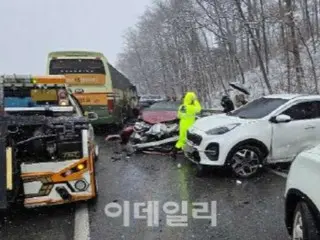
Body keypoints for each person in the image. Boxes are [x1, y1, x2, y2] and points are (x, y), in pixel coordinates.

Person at [171, 92, 202, 159]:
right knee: (190, 140)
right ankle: (191, 154)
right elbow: (199, 109)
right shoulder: (192, 107)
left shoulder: (182, 107)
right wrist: (195, 100)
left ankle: (174, 152)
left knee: (182, 139)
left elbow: (179, 116)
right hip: (190, 126)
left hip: (182, 124)